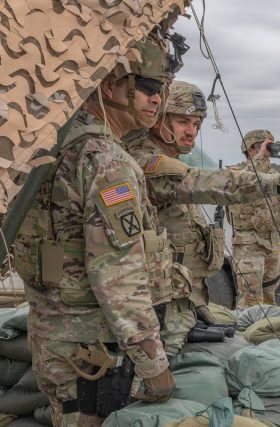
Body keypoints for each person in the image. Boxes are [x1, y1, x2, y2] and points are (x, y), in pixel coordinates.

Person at [13, 32, 177, 426]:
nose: (157, 99)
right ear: (108, 86)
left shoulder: (48, 145)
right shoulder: (104, 160)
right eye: (147, 87)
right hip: (90, 349)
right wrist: (152, 361)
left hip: (54, 336)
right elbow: (117, 274)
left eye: (162, 89)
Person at [125, 81, 280, 354]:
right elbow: (206, 182)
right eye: (182, 122)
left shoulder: (171, 161)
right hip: (158, 315)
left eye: (196, 124)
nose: (191, 132)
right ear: (158, 119)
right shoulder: (146, 162)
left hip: (181, 306)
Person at [227, 130, 280, 308]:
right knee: (250, 303)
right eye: (263, 147)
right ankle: (246, 334)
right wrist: (261, 158)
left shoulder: (275, 177)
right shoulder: (237, 173)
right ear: (251, 149)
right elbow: (244, 182)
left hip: (271, 244)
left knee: (269, 301)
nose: (268, 152)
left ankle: (265, 335)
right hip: (249, 246)